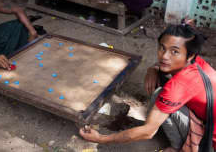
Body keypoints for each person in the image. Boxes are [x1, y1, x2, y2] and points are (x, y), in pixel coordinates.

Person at [80, 23, 216, 151]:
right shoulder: (195, 62)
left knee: (159, 94)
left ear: (189, 55)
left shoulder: (179, 85)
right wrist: (153, 69)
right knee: (162, 85)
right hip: (208, 123)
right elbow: (165, 64)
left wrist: (101, 138)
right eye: (162, 48)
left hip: (211, 144)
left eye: (174, 52)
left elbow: (147, 132)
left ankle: (177, 147)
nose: (164, 56)